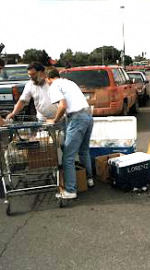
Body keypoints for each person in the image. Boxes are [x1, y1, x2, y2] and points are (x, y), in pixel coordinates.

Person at [45, 66, 94, 199]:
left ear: (47, 78)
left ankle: (71, 190)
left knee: (68, 157)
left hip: (77, 118)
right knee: (84, 151)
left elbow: (63, 105)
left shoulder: (54, 85)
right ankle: (89, 179)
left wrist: (54, 120)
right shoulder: (69, 82)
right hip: (88, 116)